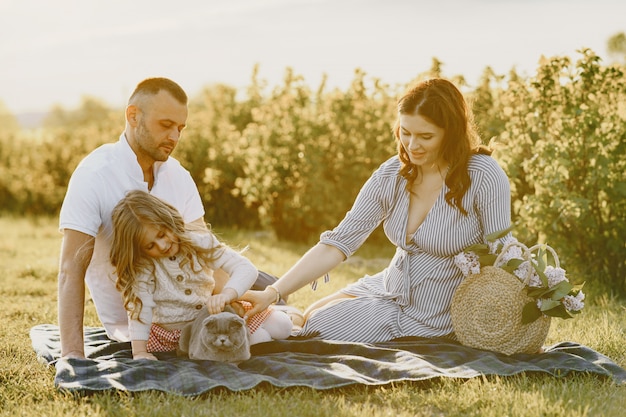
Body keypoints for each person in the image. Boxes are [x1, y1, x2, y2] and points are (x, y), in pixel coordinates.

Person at [241, 78, 512, 344]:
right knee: (310, 312)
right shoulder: (393, 174)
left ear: (450, 133)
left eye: (425, 136)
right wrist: (272, 292)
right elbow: (338, 241)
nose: (412, 145)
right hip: (389, 286)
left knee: (315, 326)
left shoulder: (482, 174)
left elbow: (503, 249)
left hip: (432, 314)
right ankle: (267, 320)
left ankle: (272, 326)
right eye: (406, 132)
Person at [57, 77, 282, 359]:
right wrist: (73, 356)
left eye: (180, 128)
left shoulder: (178, 175)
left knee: (268, 287)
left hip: (197, 301)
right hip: (146, 319)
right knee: (270, 292)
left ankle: (278, 296)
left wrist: (227, 303)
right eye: (166, 125)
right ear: (133, 115)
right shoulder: (94, 174)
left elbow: (205, 254)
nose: (175, 137)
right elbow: (70, 270)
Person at [110, 190, 293, 360]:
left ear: (169, 221)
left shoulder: (199, 242)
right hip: (179, 334)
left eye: (162, 234)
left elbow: (246, 268)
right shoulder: (144, 267)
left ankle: (289, 315)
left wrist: (227, 294)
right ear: (139, 250)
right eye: (150, 246)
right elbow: (139, 309)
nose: (162, 245)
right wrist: (140, 352)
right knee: (261, 340)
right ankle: (255, 337)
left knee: (283, 325)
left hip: (215, 319)